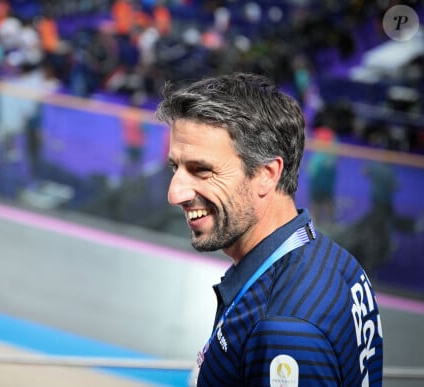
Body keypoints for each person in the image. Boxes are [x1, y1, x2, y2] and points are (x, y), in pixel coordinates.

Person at [155, 73, 383, 387]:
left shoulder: (283, 329)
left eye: (201, 170)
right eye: (175, 168)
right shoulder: (333, 260)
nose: (174, 193)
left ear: (266, 174)